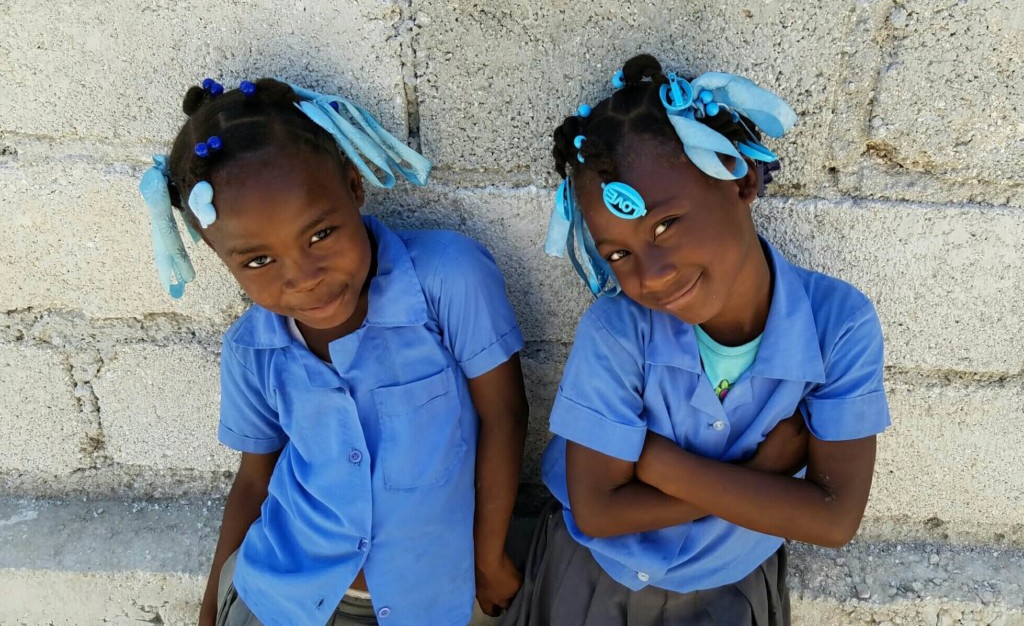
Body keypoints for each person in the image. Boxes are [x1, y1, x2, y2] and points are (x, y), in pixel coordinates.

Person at [502, 54, 890, 625]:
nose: (651, 274)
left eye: (665, 225)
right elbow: (599, 511)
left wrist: (653, 464)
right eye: (618, 254)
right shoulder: (618, 330)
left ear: (741, 177)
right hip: (591, 579)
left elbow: (833, 521)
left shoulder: (839, 324)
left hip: (730, 588)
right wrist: (762, 478)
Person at [137, 77, 529, 626]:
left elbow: (504, 415)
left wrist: (488, 561)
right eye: (256, 262)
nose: (304, 279)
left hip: (430, 600)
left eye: (319, 234)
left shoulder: (446, 277)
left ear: (353, 184)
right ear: (217, 255)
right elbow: (254, 480)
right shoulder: (253, 349)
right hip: (282, 598)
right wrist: (209, 613)